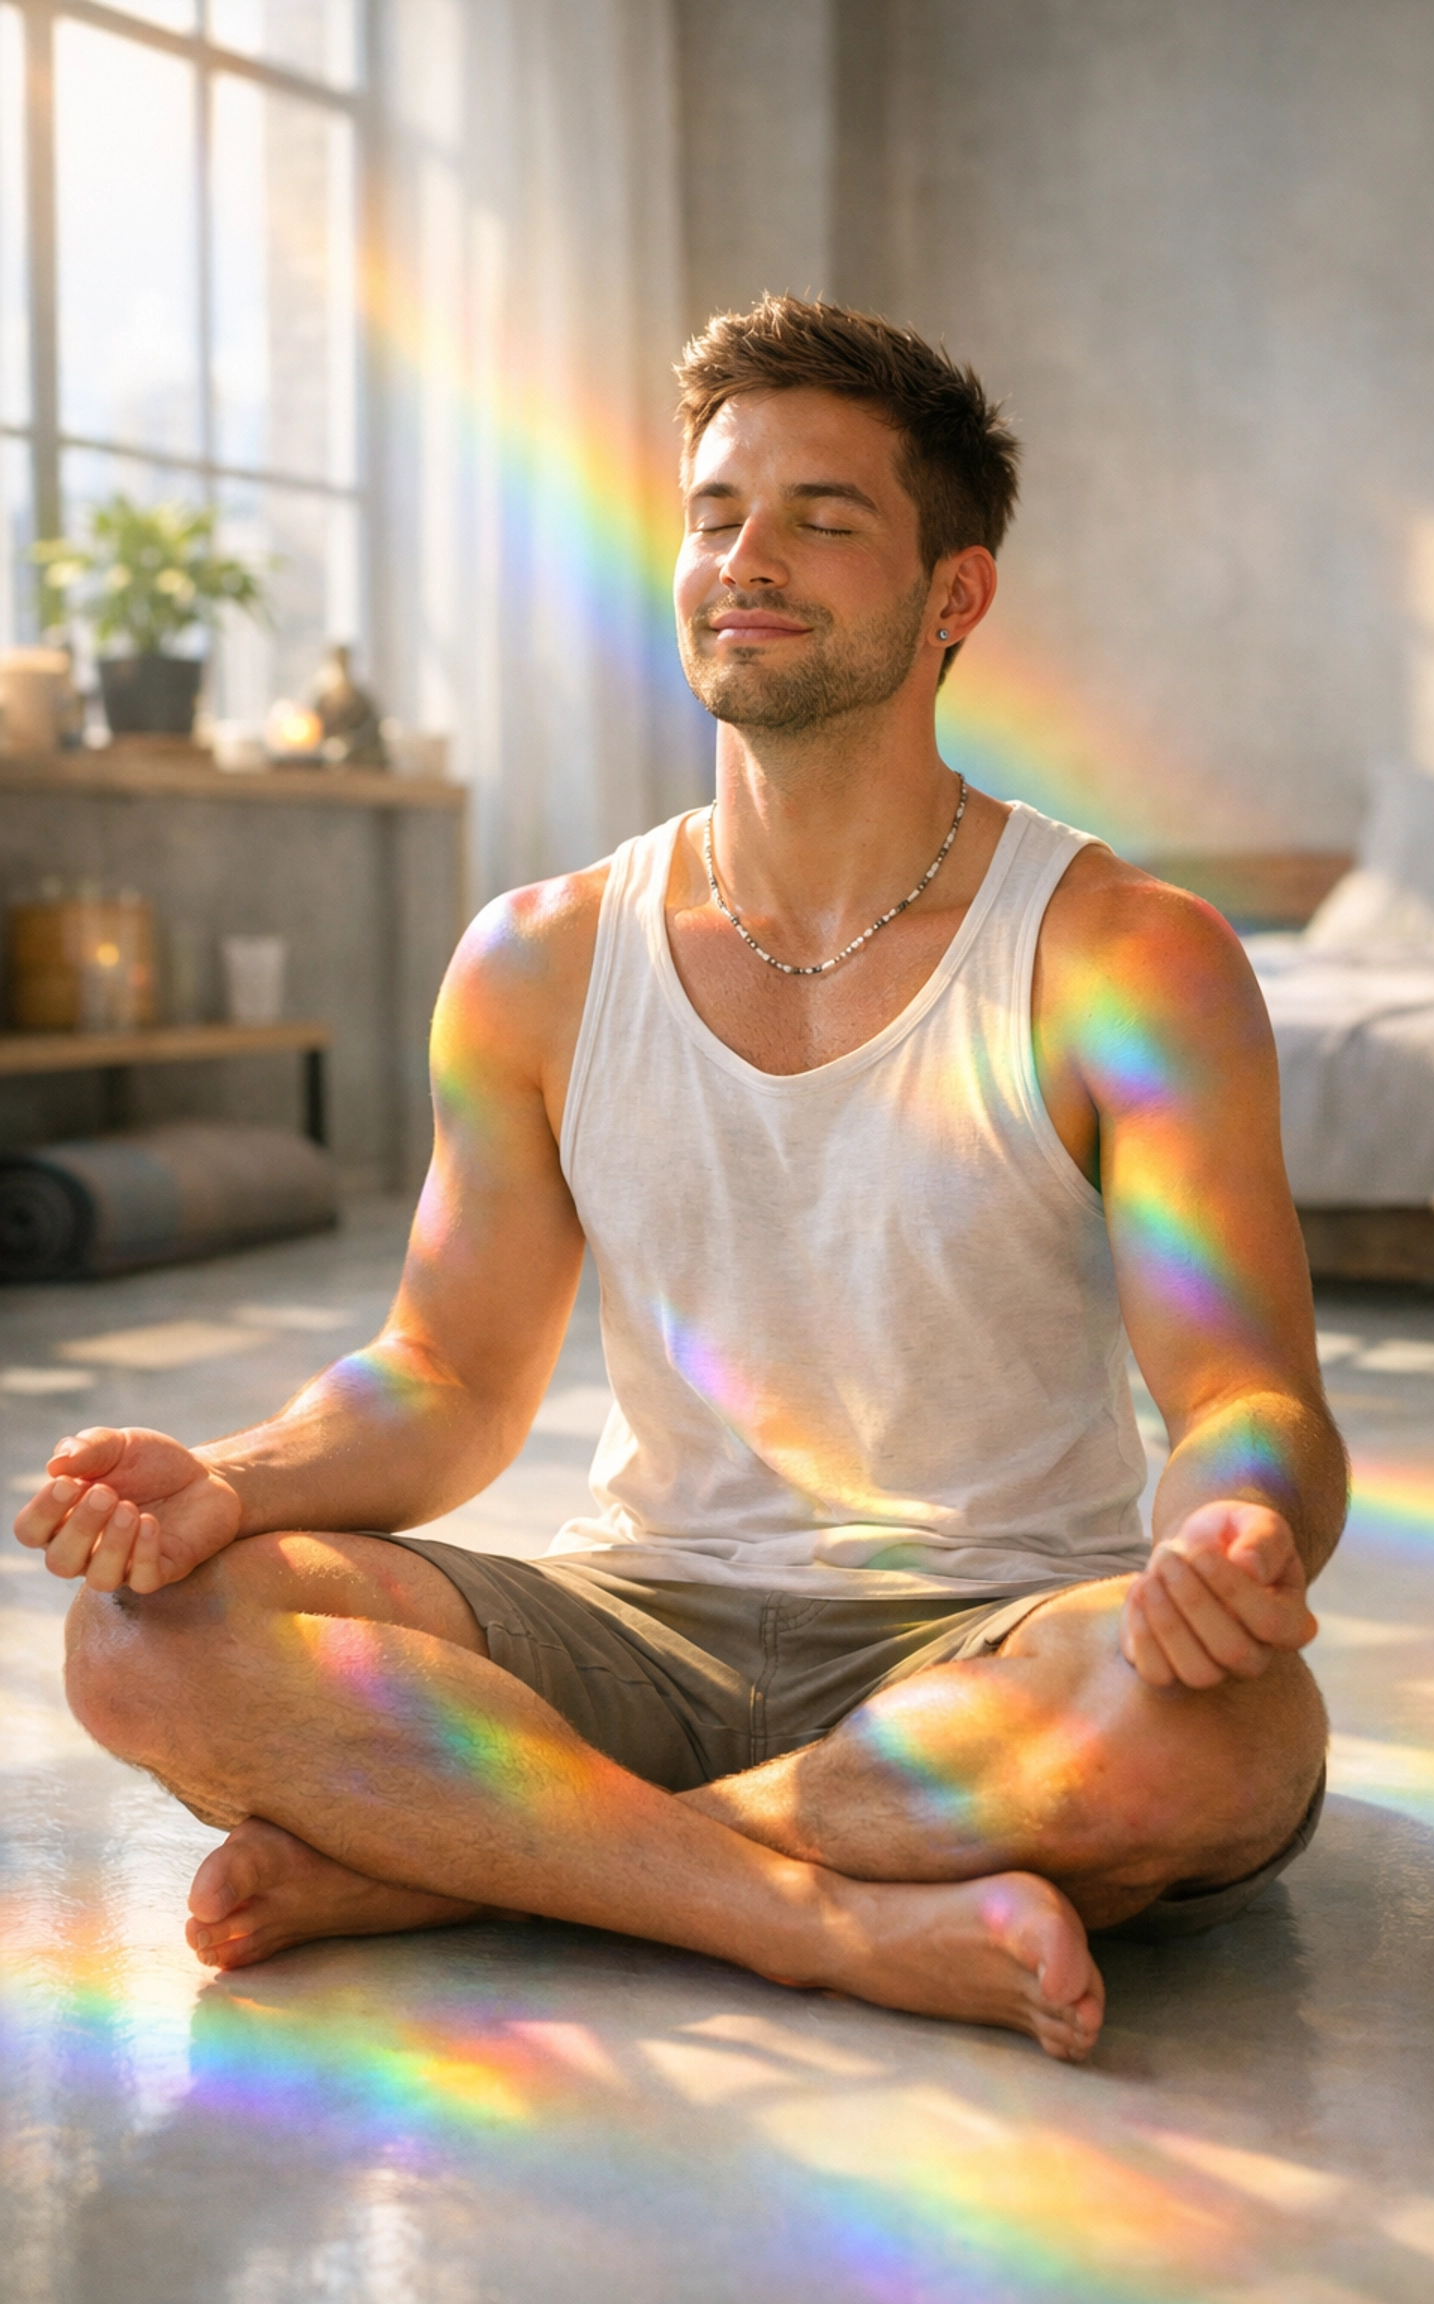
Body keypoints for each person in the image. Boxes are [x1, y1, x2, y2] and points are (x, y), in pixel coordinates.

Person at [14, 297, 1344, 2064]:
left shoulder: (1123, 957)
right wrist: (228, 1483)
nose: (746, 558)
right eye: (717, 511)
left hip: (989, 1638)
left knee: (1229, 1737)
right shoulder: (537, 960)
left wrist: (1235, 1525)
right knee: (144, 1644)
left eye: (823, 515)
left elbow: (1245, 1390)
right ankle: (813, 1917)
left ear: (956, 595)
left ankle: (488, 1864)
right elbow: (448, 1379)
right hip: (635, 1620)